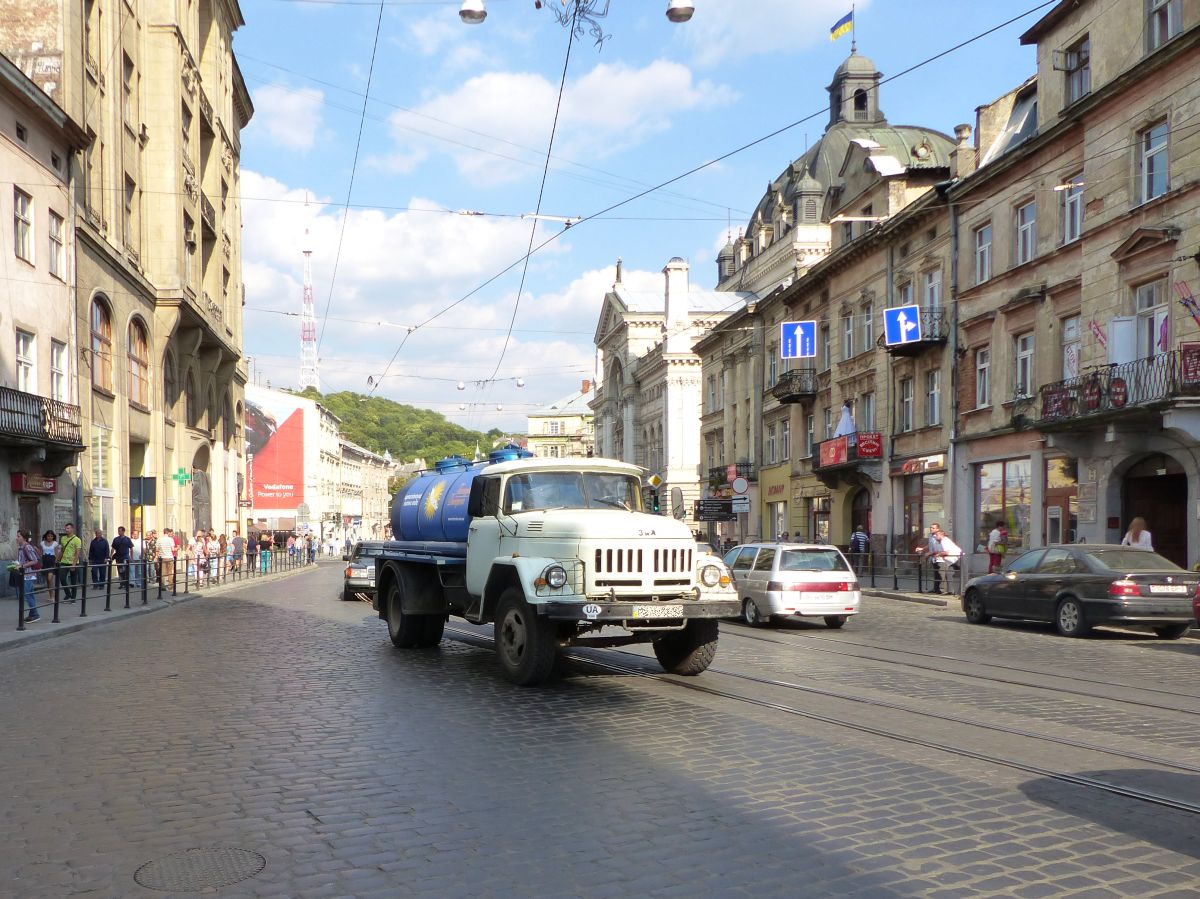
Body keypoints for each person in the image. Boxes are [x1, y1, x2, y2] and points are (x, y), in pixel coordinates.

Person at [16, 529, 42, 622]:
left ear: (24, 537)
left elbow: (34, 560)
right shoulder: (21, 547)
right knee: (29, 594)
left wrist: (22, 566)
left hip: (29, 574)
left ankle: (35, 614)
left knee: (27, 594)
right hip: (24, 574)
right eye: (17, 536)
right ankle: (32, 613)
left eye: (18, 536)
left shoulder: (27, 547)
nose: (17, 538)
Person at [57, 523, 82, 600]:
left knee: (73, 581)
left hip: (73, 562)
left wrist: (74, 564)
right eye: (66, 528)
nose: (66, 530)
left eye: (68, 528)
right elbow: (62, 550)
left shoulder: (77, 540)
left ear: (72, 529)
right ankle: (68, 593)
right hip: (64, 561)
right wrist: (58, 559)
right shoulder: (63, 538)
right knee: (62, 578)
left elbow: (78, 553)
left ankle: (73, 598)